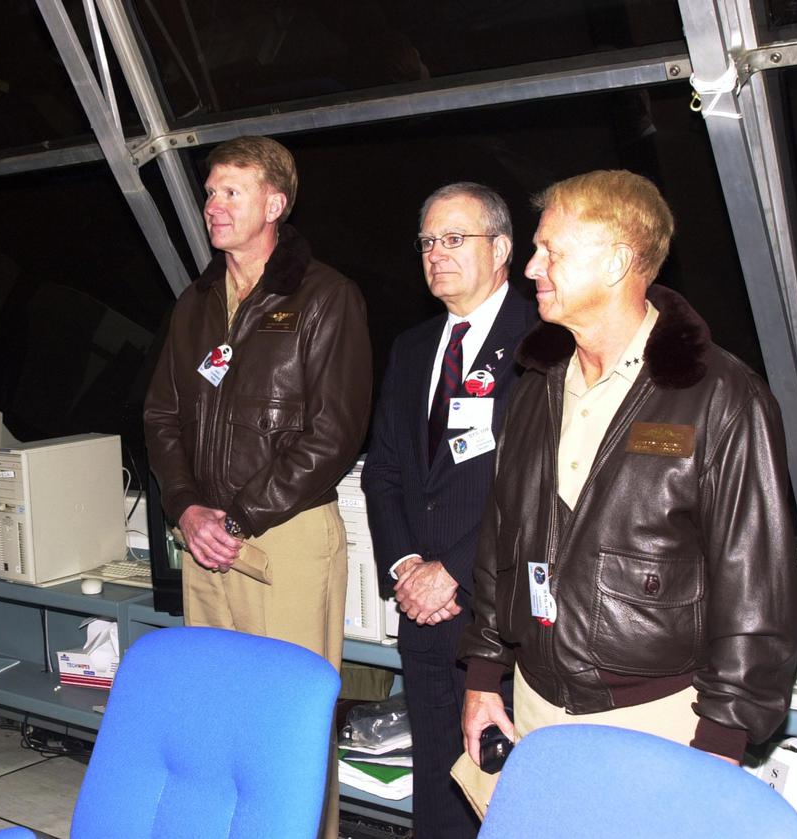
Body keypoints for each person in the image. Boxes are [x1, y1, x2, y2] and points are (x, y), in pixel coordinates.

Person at [454, 170, 797, 815]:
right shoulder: (537, 385)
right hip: (533, 706)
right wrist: (484, 676)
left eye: (551, 251)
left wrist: (720, 743)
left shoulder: (721, 398)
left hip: (661, 723)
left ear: (619, 261)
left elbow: (756, 588)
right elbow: (500, 537)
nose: (532, 267)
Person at [143, 135, 372, 839]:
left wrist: (235, 519)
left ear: (274, 203)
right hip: (207, 542)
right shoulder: (197, 302)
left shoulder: (325, 296)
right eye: (210, 191)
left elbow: (333, 435)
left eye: (230, 192)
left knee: (288, 728)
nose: (212, 204)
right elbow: (161, 415)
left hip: (286, 538)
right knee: (217, 717)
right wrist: (185, 508)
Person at [362, 183, 536, 839]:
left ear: (502, 249)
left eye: (454, 238)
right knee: (436, 790)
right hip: (422, 614)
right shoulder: (412, 348)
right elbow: (383, 471)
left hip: (500, 614)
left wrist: (455, 573)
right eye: (428, 241)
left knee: (504, 793)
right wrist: (407, 565)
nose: (436, 253)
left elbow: (535, 490)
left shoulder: (542, 344)